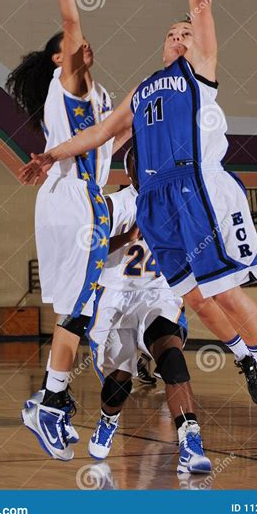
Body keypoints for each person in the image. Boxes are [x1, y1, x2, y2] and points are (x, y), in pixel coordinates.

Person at [19, 0, 257, 416]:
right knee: (192, 296)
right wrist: (51, 154)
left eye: (185, 32)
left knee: (227, 289)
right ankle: (243, 357)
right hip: (155, 200)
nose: (179, 35)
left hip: (200, 187)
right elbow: (100, 132)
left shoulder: (200, 73)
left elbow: (202, 3)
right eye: (172, 33)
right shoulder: (144, 90)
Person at [9, 0, 125, 460]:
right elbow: (71, 19)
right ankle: (48, 403)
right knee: (79, 311)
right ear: (59, 59)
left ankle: (53, 400)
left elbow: (122, 128)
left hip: (78, 199)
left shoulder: (98, 98)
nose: (83, 45)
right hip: (76, 202)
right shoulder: (71, 82)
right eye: (71, 45)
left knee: (78, 311)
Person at [86, 148, 211, 473]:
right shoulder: (115, 204)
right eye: (140, 165)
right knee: (119, 384)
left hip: (159, 295)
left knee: (171, 357)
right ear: (129, 170)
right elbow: (86, 245)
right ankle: (108, 419)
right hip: (115, 299)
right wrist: (128, 236)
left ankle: (190, 442)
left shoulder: (177, 203)